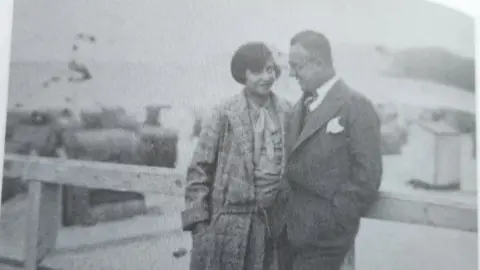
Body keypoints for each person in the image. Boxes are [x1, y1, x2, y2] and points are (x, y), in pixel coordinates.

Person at [182, 42, 292, 270]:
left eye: (270, 69)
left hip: (275, 227)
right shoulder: (224, 114)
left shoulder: (288, 112)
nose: (266, 77)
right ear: (243, 74)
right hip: (231, 229)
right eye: (257, 71)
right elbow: (199, 170)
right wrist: (200, 226)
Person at [284, 30, 383, 270]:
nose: (291, 73)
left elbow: (367, 176)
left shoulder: (356, 106)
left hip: (325, 240)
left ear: (317, 63)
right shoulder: (300, 106)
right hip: (289, 233)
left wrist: (335, 220)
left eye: (296, 66)